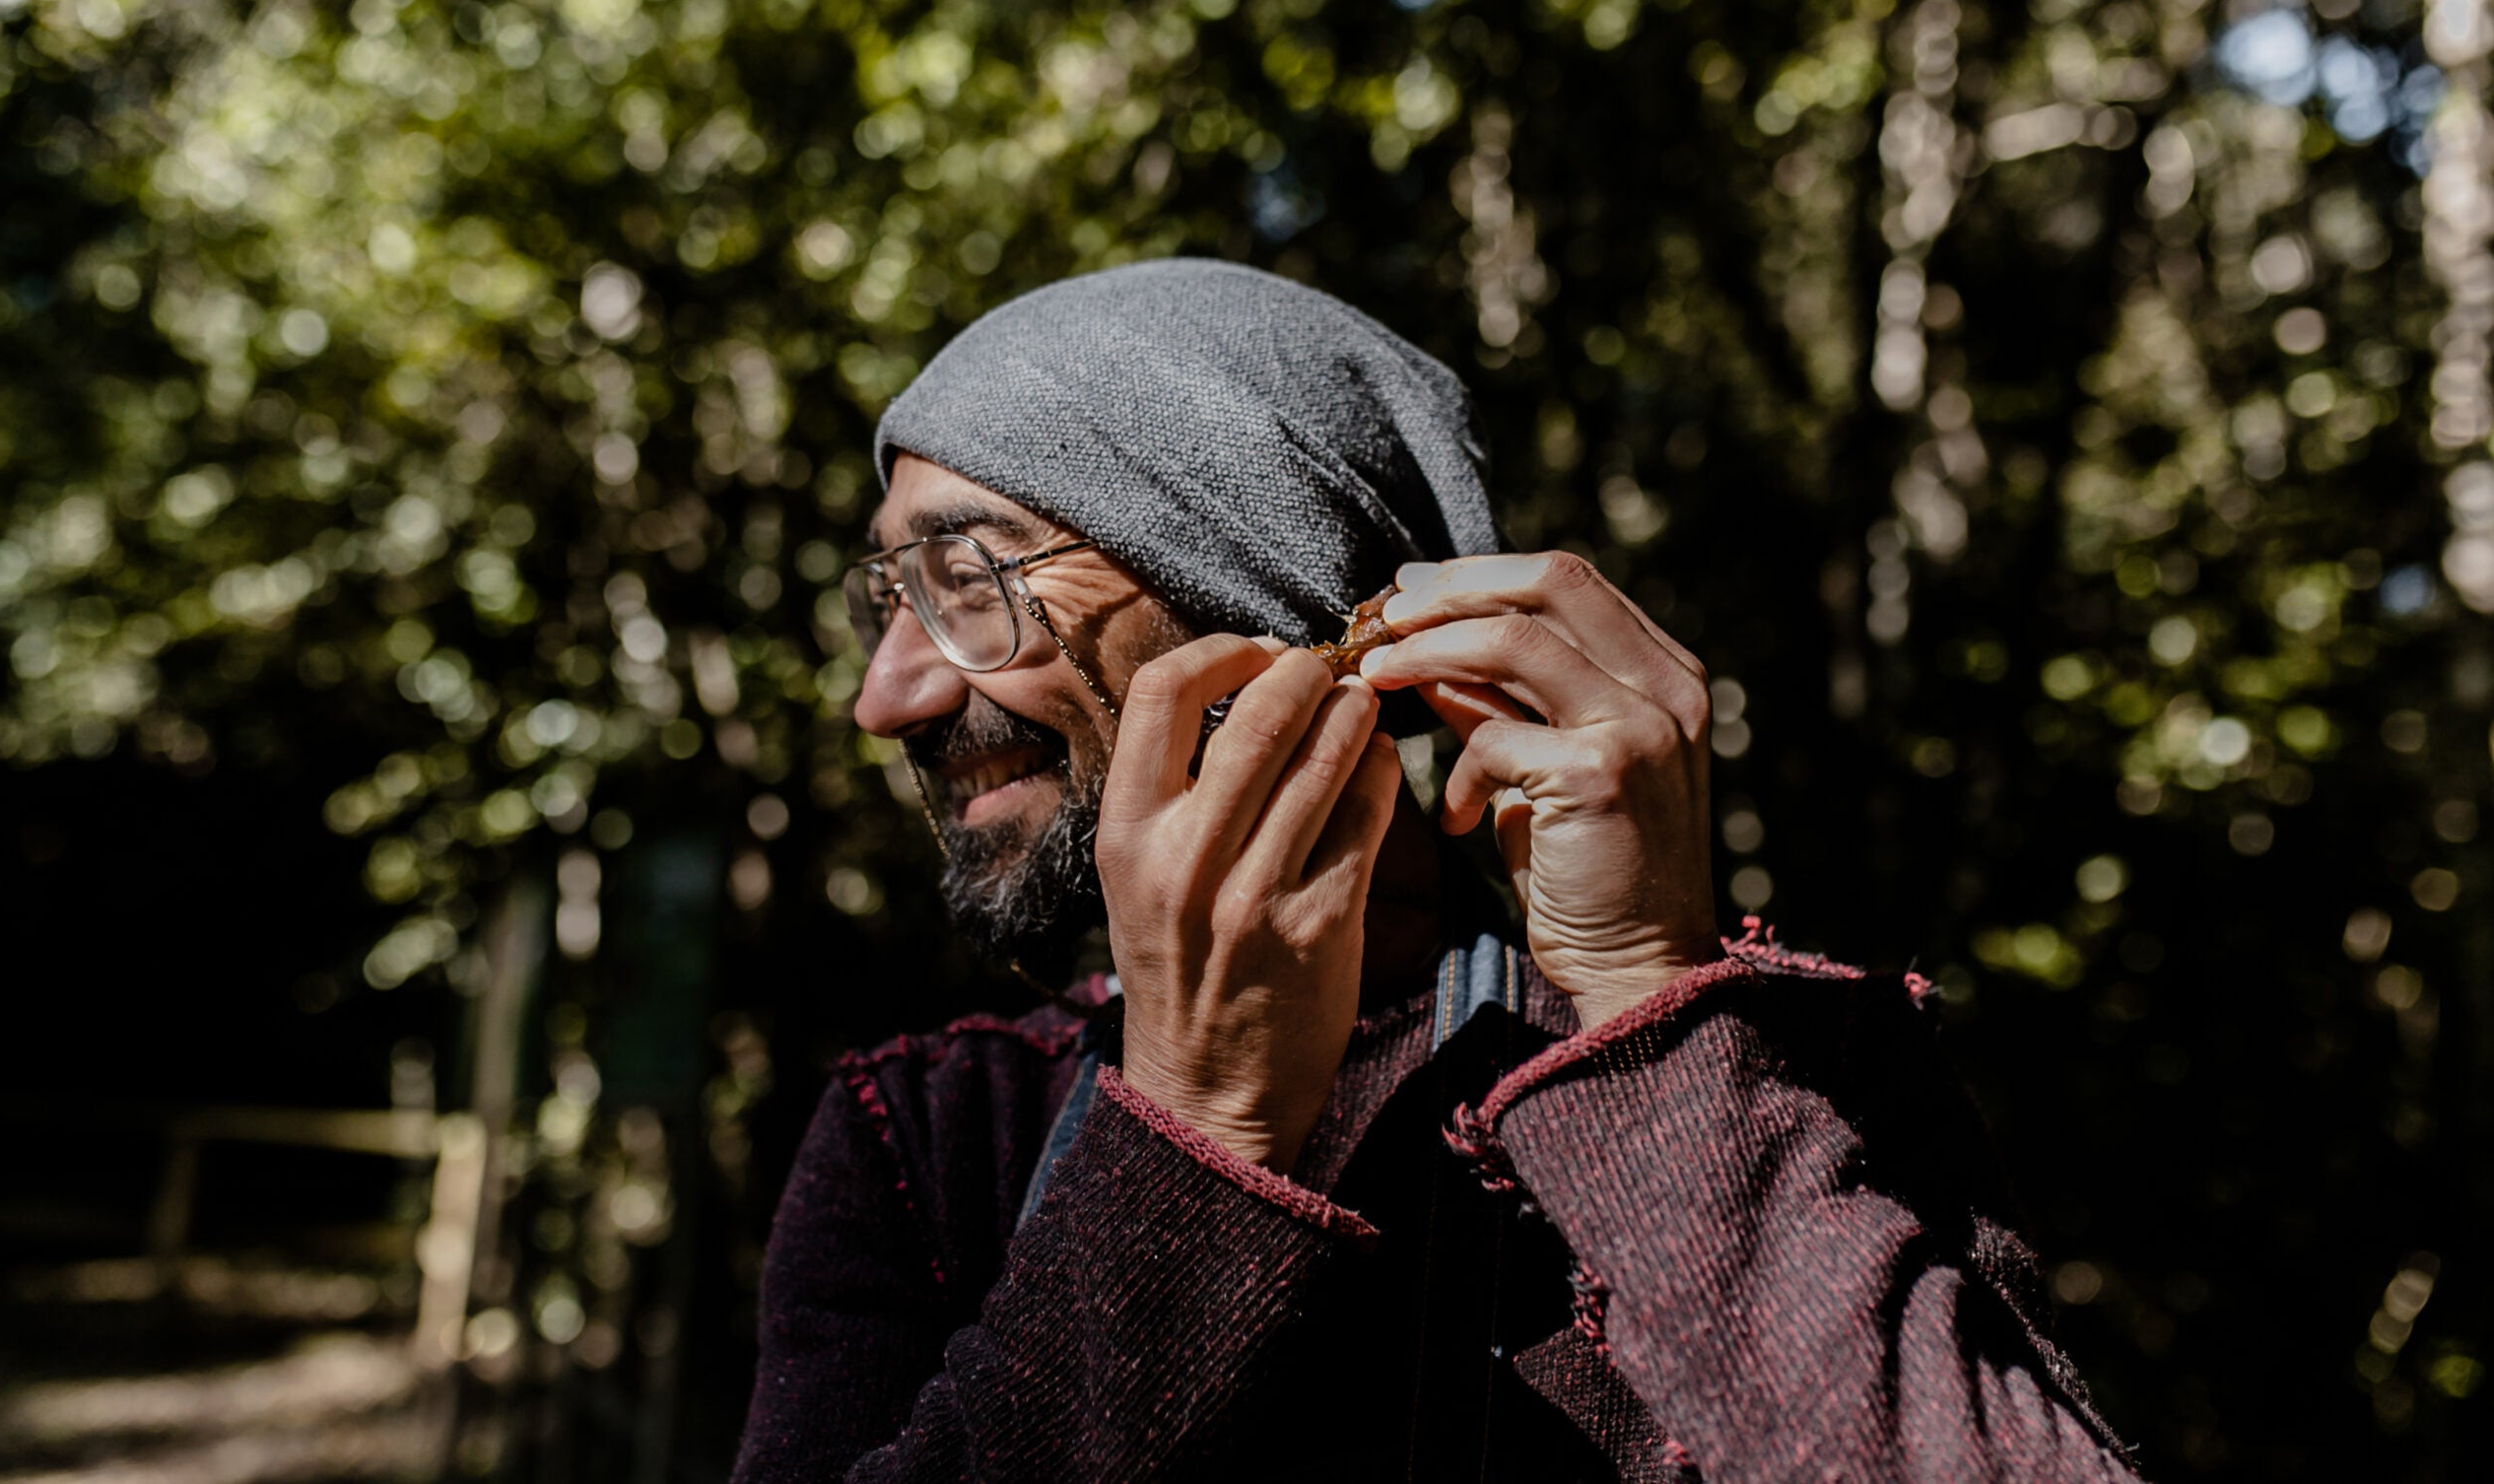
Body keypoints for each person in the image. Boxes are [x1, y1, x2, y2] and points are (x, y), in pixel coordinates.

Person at [733, 260, 2142, 1482]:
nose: (886, 697)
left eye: (966, 580)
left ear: (1259, 605)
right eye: (889, 598)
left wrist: (1646, 1010)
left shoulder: (1777, 1067)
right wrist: (1193, 1127)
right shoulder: (931, 1139)